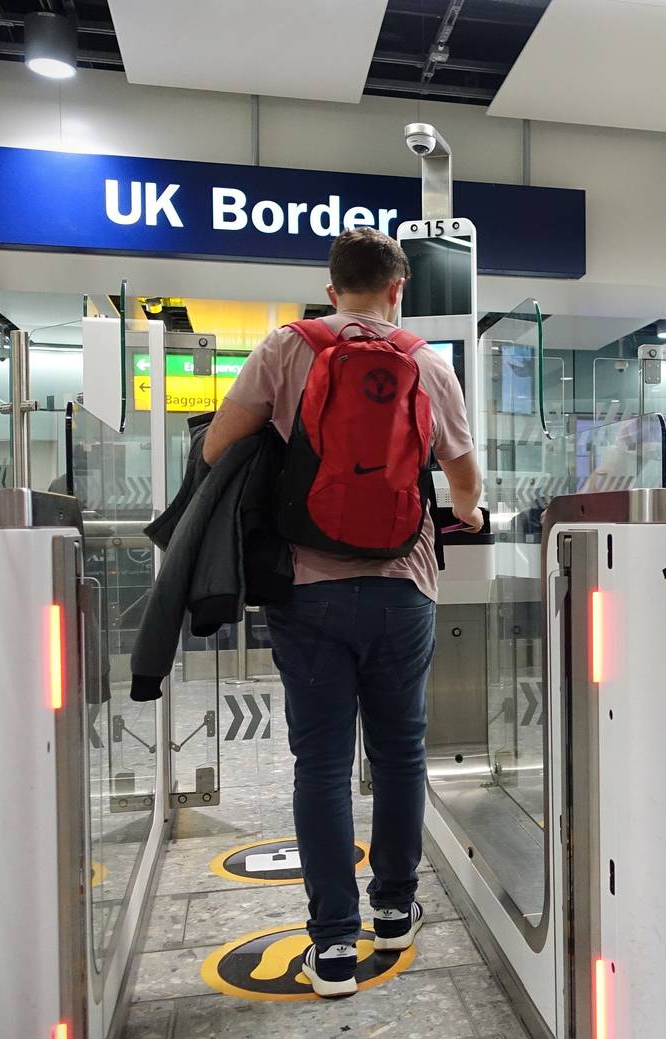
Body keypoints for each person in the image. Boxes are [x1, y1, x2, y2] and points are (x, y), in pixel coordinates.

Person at [202, 228, 482, 997]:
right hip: (404, 586)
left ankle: (331, 943)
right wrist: (467, 511)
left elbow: (217, 448)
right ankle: (394, 909)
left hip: (308, 584)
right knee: (399, 754)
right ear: (400, 289)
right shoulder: (428, 362)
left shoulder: (287, 348)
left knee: (320, 763)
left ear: (333, 289)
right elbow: (463, 478)